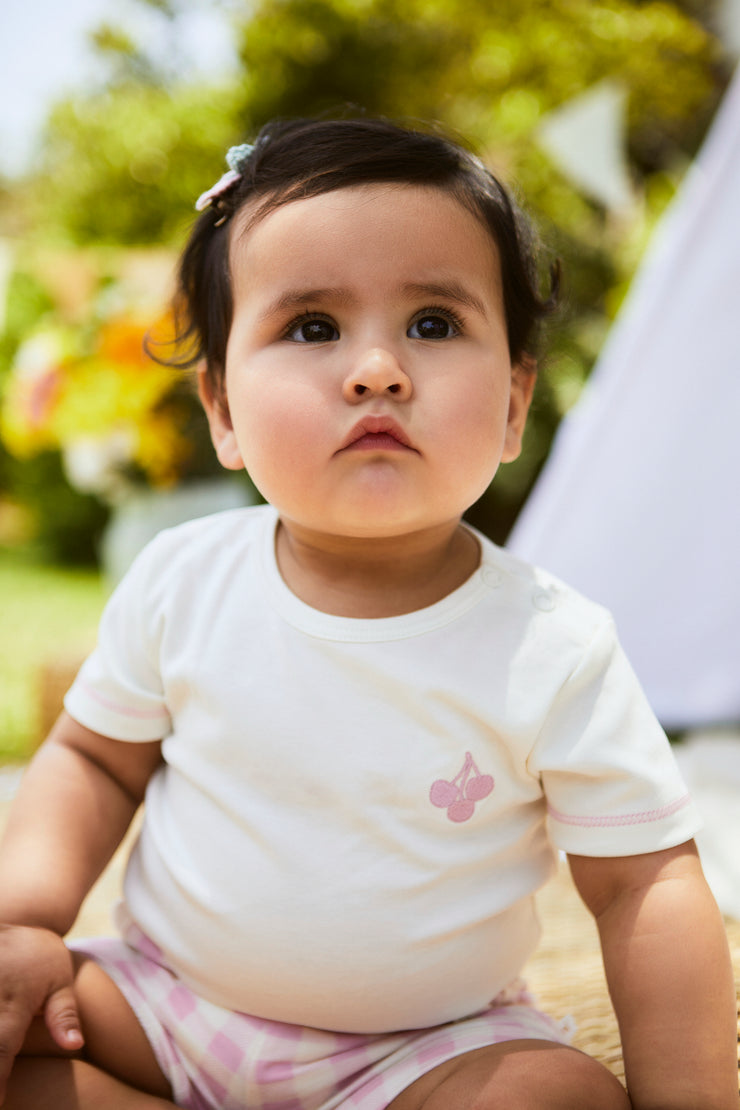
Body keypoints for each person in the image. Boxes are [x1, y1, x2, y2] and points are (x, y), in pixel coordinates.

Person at [0, 117, 736, 1110]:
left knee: (551, 1098)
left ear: (514, 404)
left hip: (426, 1056)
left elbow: (643, 885)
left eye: (432, 324)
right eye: (311, 328)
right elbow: (92, 760)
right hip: (164, 1008)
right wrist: (27, 921)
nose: (377, 369)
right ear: (220, 410)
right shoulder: (187, 580)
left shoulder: (550, 645)